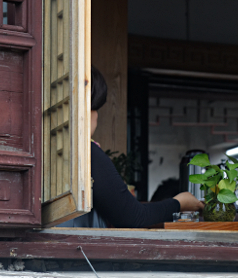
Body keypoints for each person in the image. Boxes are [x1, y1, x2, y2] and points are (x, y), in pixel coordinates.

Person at [87, 66, 203, 228]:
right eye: (95, 108)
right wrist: (179, 203)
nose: (96, 116)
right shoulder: (87, 154)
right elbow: (132, 217)